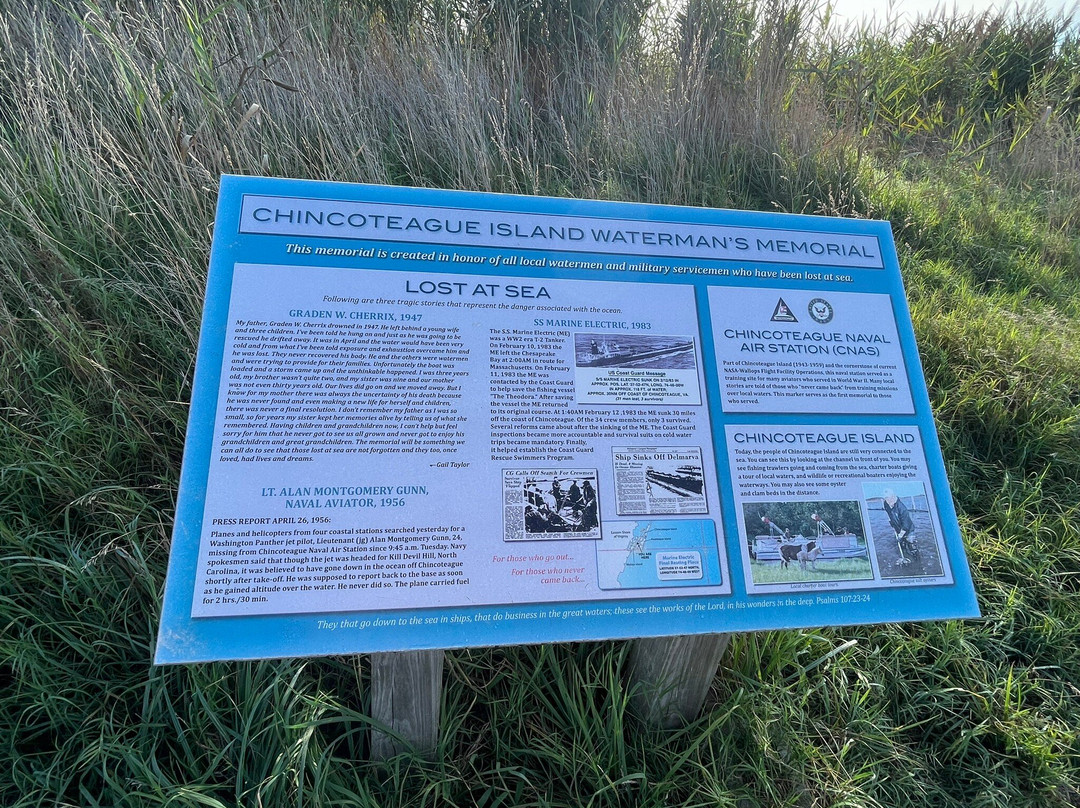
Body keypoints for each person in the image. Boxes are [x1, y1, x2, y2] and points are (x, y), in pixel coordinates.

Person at [882, 488, 918, 564]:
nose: (887, 501)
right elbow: (889, 514)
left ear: (893, 496)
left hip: (908, 529)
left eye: (889, 498)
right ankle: (905, 558)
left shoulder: (902, 508)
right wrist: (891, 522)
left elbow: (906, 525)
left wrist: (900, 535)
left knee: (912, 546)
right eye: (886, 498)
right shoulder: (886, 504)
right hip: (897, 528)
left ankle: (918, 561)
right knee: (902, 545)